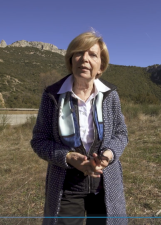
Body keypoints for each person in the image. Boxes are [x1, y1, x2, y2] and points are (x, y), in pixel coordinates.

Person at [30, 31, 128, 225]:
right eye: (78, 53)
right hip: (66, 187)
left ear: (101, 65)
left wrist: (108, 155)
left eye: (92, 54)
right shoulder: (53, 95)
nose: (84, 59)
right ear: (71, 60)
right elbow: (39, 140)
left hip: (105, 185)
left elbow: (121, 133)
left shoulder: (110, 95)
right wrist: (68, 157)